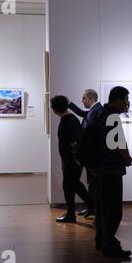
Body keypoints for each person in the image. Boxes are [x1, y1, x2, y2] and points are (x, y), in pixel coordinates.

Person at [93, 86, 132, 259]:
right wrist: (128, 158)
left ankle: (101, 241)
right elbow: (119, 143)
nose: (127, 103)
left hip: (99, 168)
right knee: (114, 210)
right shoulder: (113, 117)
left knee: (102, 207)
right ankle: (110, 246)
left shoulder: (100, 112)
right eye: (125, 99)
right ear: (117, 99)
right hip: (111, 169)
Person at [50, 95, 93, 223]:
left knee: (69, 186)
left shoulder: (66, 122)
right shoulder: (72, 118)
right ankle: (92, 205)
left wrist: (76, 160)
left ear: (54, 109)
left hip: (72, 162)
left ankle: (72, 214)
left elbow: (74, 143)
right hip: (73, 161)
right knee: (75, 185)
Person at [69, 89, 103, 217]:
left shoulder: (97, 111)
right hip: (89, 154)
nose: (82, 100)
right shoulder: (94, 110)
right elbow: (83, 113)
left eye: (83, 98)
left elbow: (90, 132)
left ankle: (93, 208)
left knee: (93, 184)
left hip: (92, 155)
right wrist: (69, 103)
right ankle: (91, 207)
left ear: (90, 99)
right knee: (91, 183)